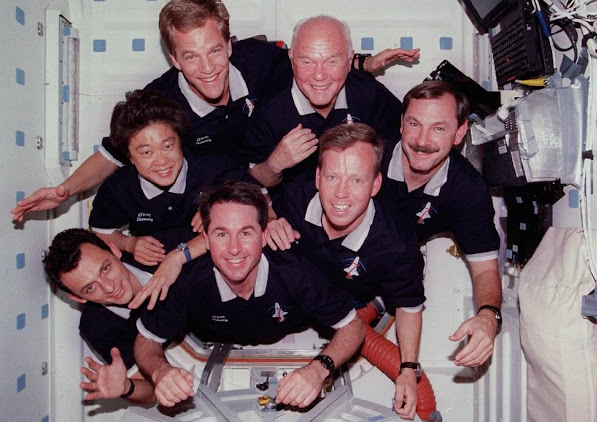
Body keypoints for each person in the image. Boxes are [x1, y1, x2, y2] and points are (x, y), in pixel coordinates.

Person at [11, 0, 418, 223]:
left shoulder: (258, 59)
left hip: (273, 175)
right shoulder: (160, 100)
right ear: (174, 59)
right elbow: (114, 153)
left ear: (229, 45)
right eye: (191, 56)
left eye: (215, 51)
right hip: (220, 189)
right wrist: (66, 189)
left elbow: (313, 64)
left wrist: (363, 63)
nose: (207, 68)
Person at [134, 180, 365, 408]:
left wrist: (318, 369)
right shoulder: (190, 281)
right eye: (222, 234)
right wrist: (160, 371)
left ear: (264, 236)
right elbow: (146, 340)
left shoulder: (295, 272)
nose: (234, 249)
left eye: (245, 233)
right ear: (206, 240)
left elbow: (353, 326)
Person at [266, 123, 425, 420]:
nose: (341, 193)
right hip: (300, 296)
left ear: (375, 184)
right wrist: (271, 220)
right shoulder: (298, 195)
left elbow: (408, 306)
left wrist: (407, 369)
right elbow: (265, 205)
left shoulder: (396, 244)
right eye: (332, 177)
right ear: (317, 178)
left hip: (352, 305)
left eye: (356, 180)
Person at [378, 80, 502, 367]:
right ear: (401, 124)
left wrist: (488, 315)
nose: (422, 140)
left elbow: (485, 269)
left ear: (459, 133)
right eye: (415, 124)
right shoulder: (370, 157)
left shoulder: (467, 189)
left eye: (439, 128)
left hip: (390, 270)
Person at [89, 89, 248, 268]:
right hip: (153, 271)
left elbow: (259, 205)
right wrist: (129, 244)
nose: (162, 161)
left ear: (180, 140)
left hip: (215, 264)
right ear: (130, 157)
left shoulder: (215, 166)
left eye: (167, 146)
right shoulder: (119, 188)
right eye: (146, 152)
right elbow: (101, 231)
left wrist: (221, 210)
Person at [242, 15, 406, 187]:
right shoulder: (270, 108)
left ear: (350, 60)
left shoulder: (368, 93)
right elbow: (252, 183)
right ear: (291, 60)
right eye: (307, 62)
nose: (319, 75)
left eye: (331, 61)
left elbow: (405, 146)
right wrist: (274, 165)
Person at [43, 228, 158, 404]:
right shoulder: (97, 327)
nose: (109, 287)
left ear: (114, 250)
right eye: (90, 288)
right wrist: (127, 387)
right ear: (78, 298)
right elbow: (151, 392)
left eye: (105, 268)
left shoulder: (152, 249)